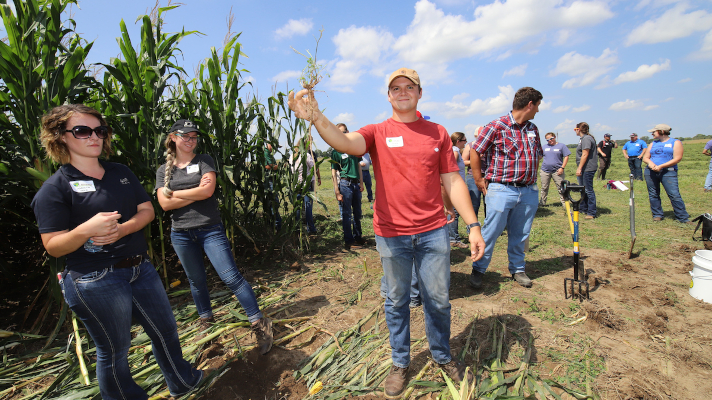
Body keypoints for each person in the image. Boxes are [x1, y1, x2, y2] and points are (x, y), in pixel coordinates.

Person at [288, 67, 485, 398]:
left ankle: (442, 355)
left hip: (434, 231)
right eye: (396, 88)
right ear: (389, 95)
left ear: (420, 93)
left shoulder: (437, 132)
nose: (403, 91)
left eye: (410, 87)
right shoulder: (377, 131)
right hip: (391, 233)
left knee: (437, 300)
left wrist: (473, 225)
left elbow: (452, 180)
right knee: (396, 300)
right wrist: (317, 117)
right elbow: (345, 142)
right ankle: (400, 362)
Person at [31, 105, 204, 399]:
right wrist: (87, 229)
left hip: (140, 269)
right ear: (60, 137)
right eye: (82, 131)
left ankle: (183, 381)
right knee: (114, 351)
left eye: (100, 130)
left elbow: (146, 210)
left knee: (166, 331)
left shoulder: (120, 172)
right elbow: (53, 245)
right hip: (95, 279)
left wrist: (122, 229)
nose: (94, 137)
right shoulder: (55, 189)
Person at [156, 119, 274, 354]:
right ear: (172, 138)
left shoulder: (205, 161)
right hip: (180, 233)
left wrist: (177, 194)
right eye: (185, 136)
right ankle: (206, 320)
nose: (191, 140)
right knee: (196, 281)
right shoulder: (163, 171)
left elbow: (207, 191)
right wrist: (195, 193)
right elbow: (163, 204)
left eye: (194, 136)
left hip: (210, 230)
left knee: (231, 277)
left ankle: (258, 322)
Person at [469, 87, 543, 290]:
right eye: (537, 105)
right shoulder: (496, 126)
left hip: (527, 191)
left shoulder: (532, 129)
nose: (538, 110)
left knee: (521, 232)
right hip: (502, 189)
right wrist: (478, 178)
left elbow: (537, 154)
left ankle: (518, 268)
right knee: (490, 232)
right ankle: (479, 269)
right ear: (530, 104)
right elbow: (476, 150)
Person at [641, 124, 692, 223]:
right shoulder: (653, 143)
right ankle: (657, 214)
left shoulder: (675, 142)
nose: (652, 133)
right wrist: (651, 164)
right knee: (653, 194)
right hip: (650, 171)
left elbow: (677, 158)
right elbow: (646, 157)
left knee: (674, 194)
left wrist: (661, 166)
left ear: (662, 131)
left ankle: (682, 217)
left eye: (654, 132)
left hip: (668, 172)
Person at [331, 123, 366, 249]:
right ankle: (349, 240)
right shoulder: (336, 152)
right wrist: (337, 191)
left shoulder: (354, 148)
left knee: (357, 212)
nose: (343, 134)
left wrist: (361, 183)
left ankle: (358, 237)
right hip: (345, 184)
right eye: (340, 132)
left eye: (345, 132)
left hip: (356, 184)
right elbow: (334, 172)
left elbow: (359, 166)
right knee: (346, 213)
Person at [290, 137, 321, 234]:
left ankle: (297, 228)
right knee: (308, 207)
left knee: (298, 208)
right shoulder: (307, 156)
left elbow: (292, 171)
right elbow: (314, 168)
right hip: (307, 185)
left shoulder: (292, 156)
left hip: (297, 186)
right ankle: (310, 229)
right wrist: (317, 177)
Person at [447, 132, 469, 249]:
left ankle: (451, 237)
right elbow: (451, 167)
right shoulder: (455, 151)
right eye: (465, 140)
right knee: (454, 212)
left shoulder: (453, 149)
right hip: (455, 187)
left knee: (453, 211)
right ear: (458, 140)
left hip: (454, 186)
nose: (466, 142)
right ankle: (453, 238)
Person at [539, 132, 570, 206]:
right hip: (545, 170)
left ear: (555, 137)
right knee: (544, 187)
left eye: (551, 138)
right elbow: (539, 157)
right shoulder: (544, 147)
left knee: (561, 187)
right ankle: (542, 203)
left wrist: (562, 168)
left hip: (557, 171)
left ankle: (565, 204)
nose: (550, 140)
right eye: (547, 140)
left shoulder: (561, 146)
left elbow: (566, 156)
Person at [575, 122, 598, 219]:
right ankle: (583, 208)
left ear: (579, 129)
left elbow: (585, 154)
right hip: (584, 168)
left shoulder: (587, 139)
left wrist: (579, 168)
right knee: (583, 189)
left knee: (588, 190)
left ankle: (591, 212)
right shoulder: (583, 139)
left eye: (575, 129)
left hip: (587, 168)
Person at [462, 127, 484, 218]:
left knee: (490, 203)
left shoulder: (491, 145)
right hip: (473, 176)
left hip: (489, 176)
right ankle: (472, 226)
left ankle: (488, 229)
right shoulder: (470, 145)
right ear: (476, 136)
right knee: (474, 202)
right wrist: (475, 160)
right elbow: (463, 161)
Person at [263, 142, 282, 230]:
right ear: (269, 144)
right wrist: (279, 166)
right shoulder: (266, 152)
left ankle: (274, 224)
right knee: (274, 203)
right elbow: (268, 166)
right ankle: (277, 225)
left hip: (271, 180)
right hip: (269, 181)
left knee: (273, 203)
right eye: (274, 146)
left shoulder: (269, 153)